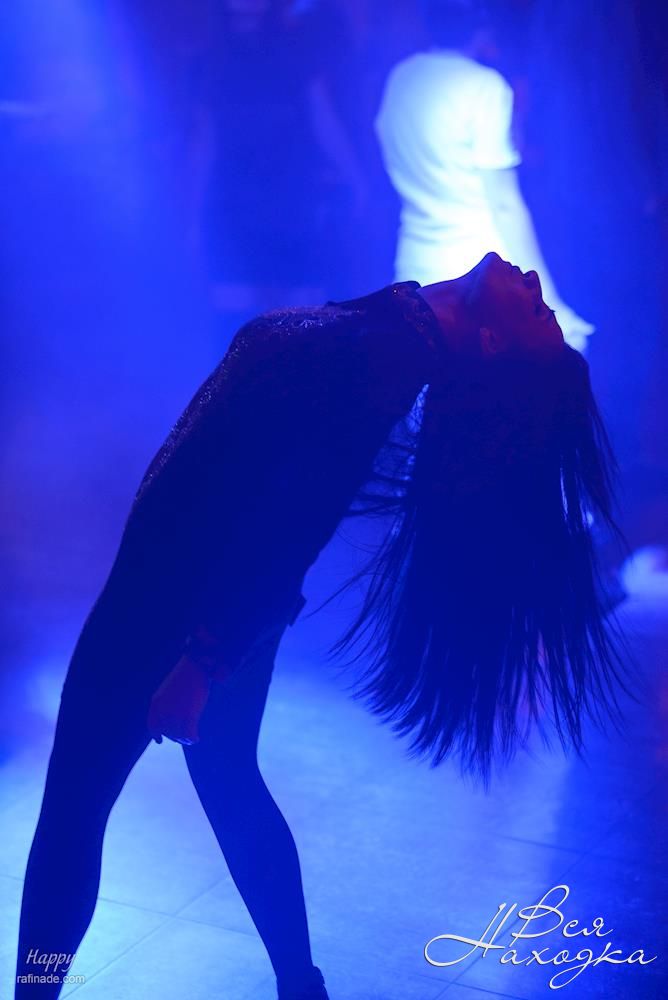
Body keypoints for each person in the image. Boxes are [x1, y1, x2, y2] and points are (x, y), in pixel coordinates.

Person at [14, 253, 634, 999]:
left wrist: (203, 662)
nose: (534, 284)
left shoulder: (383, 359)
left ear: (492, 341)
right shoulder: (396, 326)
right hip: (210, 601)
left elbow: (293, 519)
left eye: (533, 309)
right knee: (223, 785)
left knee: (75, 814)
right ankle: (301, 989)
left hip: (179, 603)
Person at [374, 0, 595, 351]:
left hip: (417, 272)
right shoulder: (485, 87)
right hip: (479, 283)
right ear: (484, 24)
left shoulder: (401, 76)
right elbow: (504, 205)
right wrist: (551, 304)